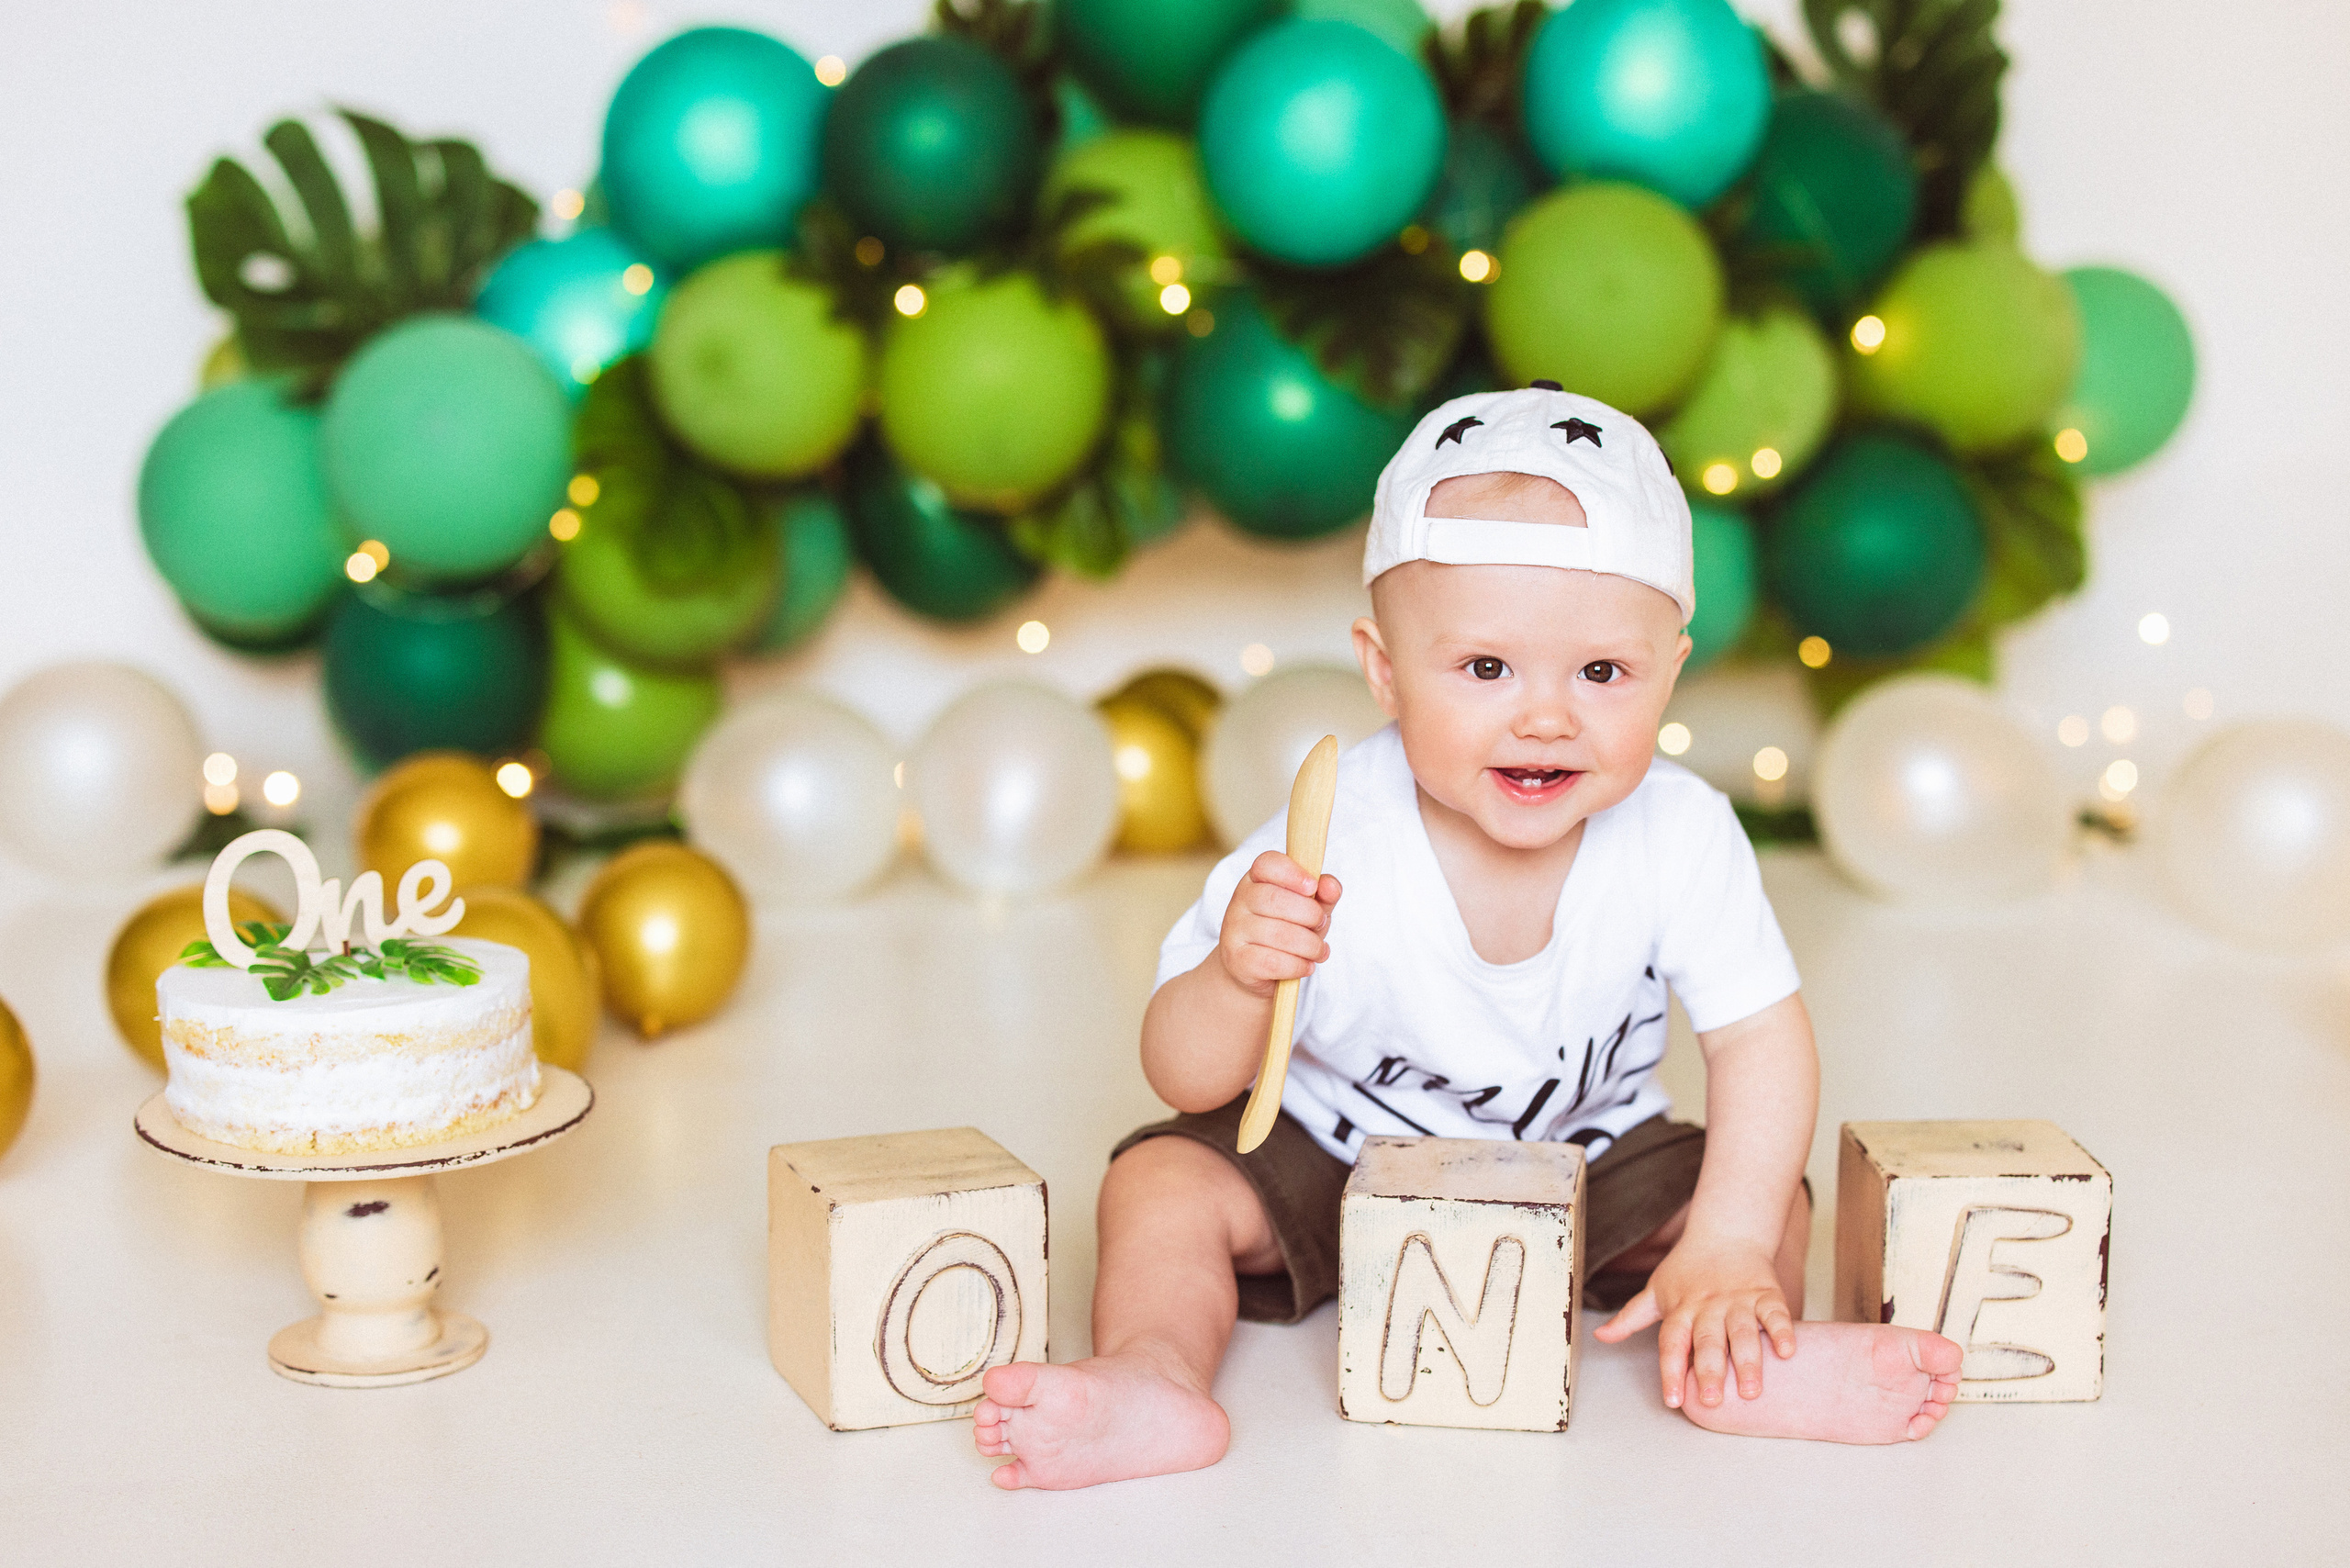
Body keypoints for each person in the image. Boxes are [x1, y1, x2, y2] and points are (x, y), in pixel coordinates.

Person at [973, 386, 1963, 1490]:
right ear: (1385, 671)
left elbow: (1758, 1040)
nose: (1545, 716)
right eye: (1485, 668)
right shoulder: (1331, 827)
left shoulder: (1679, 831)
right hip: (1336, 1151)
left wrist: (1727, 1240)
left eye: (1602, 672)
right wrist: (1238, 977)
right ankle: (1154, 1371)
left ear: (1670, 671)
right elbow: (1182, 1073)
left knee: (1758, 1194)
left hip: (1588, 1155)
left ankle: (1739, 1355)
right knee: (1158, 1181)